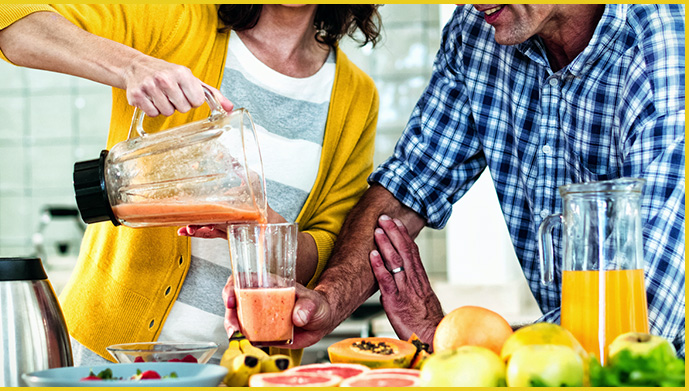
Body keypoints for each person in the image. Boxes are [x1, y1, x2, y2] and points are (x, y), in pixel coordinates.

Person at [224, 4, 685, 357]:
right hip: (555, 366)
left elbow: (641, 318)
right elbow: (408, 189)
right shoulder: (478, 32)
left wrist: (456, 343)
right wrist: (327, 301)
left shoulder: (665, 47)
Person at [0, 4, 382, 364]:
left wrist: (260, 224)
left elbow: (329, 249)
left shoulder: (357, 96)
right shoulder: (176, 19)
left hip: (246, 369)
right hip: (110, 355)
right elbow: (6, 23)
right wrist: (133, 66)